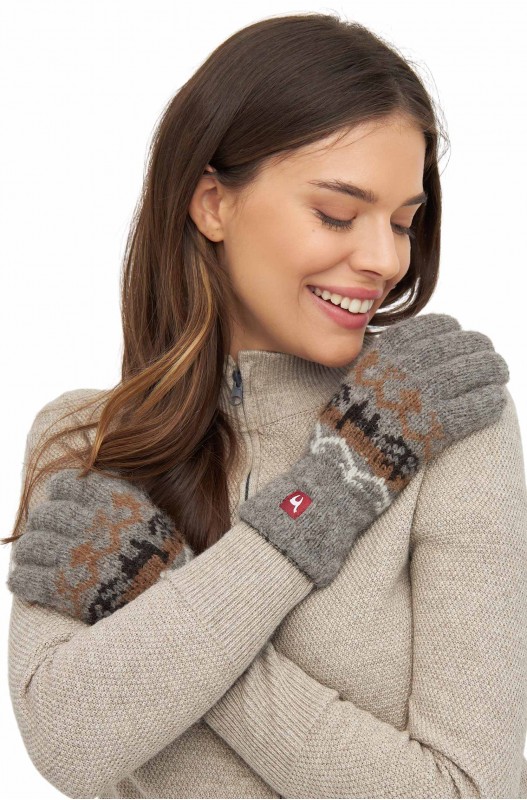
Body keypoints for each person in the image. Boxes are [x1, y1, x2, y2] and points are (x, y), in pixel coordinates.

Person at [3, 11, 527, 799]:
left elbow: (467, 791)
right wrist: (319, 504)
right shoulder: (90, 443)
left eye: (402, 222)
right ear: (213, 203)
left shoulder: (437, 418)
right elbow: (71, 744)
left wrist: (152, 599)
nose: (384, 258)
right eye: (336, 213)